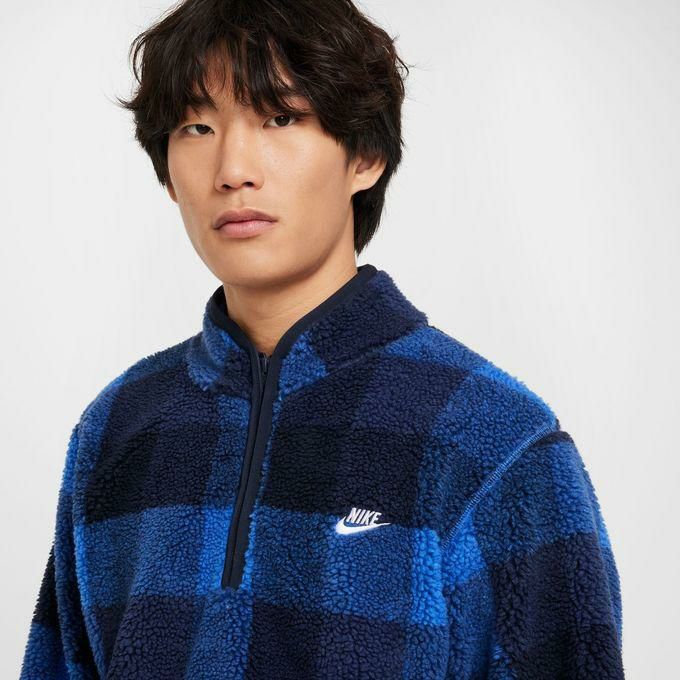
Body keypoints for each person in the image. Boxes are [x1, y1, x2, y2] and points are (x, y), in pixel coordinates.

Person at [20, 1, 625, 678]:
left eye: (280, 117)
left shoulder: (493, 437)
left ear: (365, 155)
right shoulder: (117, 428)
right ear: (167, 171)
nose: (232, 169)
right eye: (197, 127)